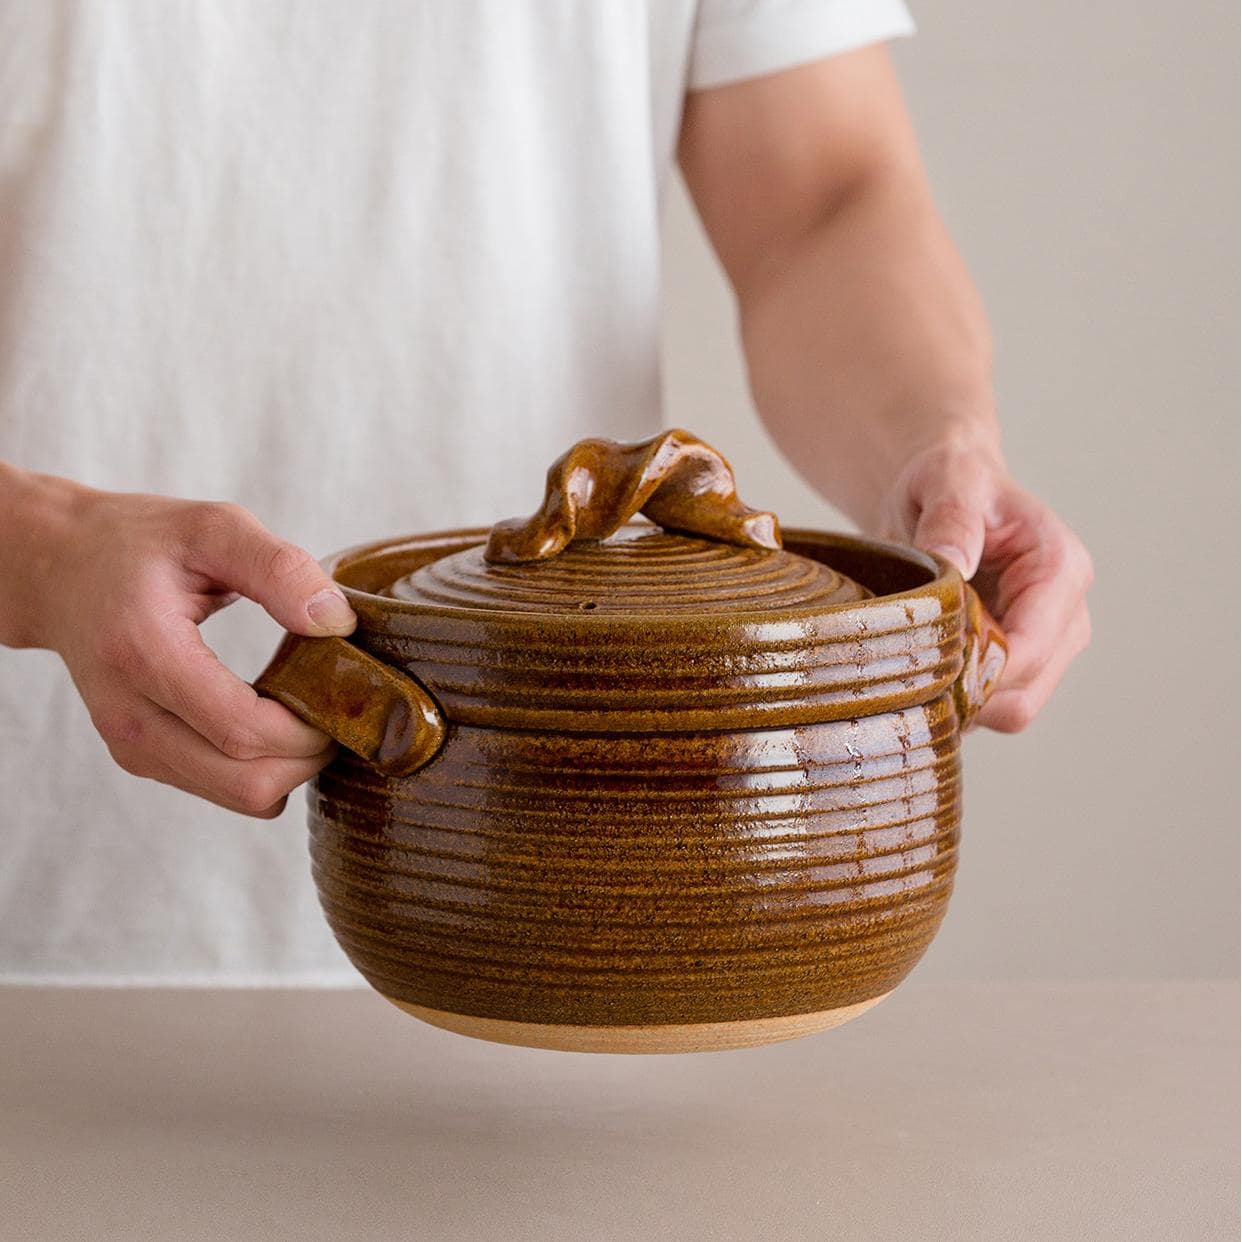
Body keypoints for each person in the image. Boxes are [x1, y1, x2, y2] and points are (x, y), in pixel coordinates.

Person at [0, 3, 1091, 980]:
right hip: (38, 921)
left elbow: (821, 200)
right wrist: (42, 552)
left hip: (599, 936)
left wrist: (934, 445)